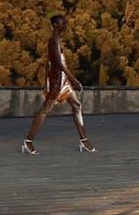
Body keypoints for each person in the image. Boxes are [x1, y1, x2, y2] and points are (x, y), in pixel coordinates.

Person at [22, 15, 94, 154]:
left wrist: (46, 82)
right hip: (58, 80)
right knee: (45, 110)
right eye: (62, 23)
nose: (65, 25)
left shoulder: (57, 39)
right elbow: (58, 64)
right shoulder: (53, 40)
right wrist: (73, 79)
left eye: (65, 23)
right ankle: (28, 142)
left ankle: (84, 140)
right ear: (55, 24)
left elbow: (48, 61)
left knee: (76, 105)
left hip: (63, 80)